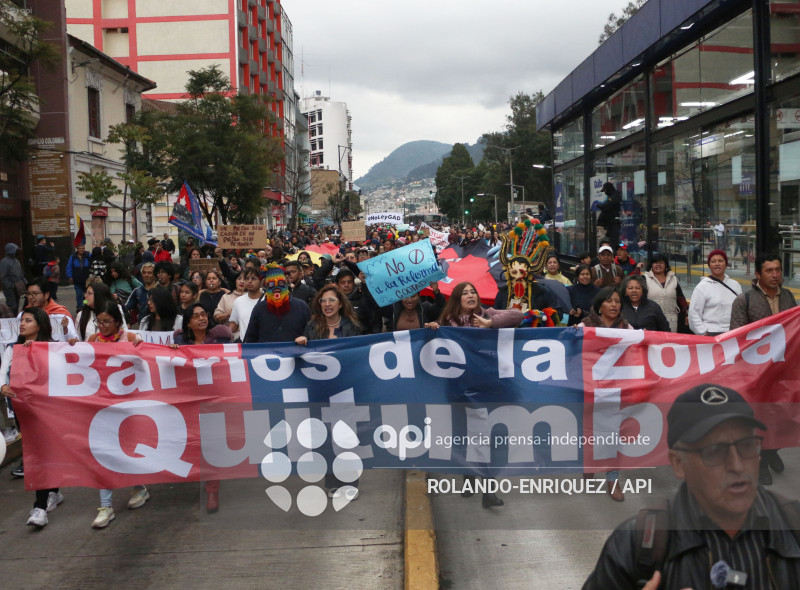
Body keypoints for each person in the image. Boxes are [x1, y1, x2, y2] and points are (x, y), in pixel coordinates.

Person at [582, 383, 800, 589]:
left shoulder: (793, 525)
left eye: (746, 445)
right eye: (714, 451)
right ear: (678, 463)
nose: (736, 465)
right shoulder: (633, 545)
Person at [434, 281, 524, 508]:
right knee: (463, 436)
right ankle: (468, 477)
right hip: (459, 389)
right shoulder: (447, 322)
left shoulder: (487, 314)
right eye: (464, 293)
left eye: (473, 291)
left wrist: (490, 323)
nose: (470, 295)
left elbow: (517, 315)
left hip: (485, 387)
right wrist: (432, 329)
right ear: (457, 299)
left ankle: (488, 490)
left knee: (484, 437)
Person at [730, 253, 796, 486]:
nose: (775, 275)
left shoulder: (788, 296)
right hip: (755, 372)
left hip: (783, 369)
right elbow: (736, 337)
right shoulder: (744, 300)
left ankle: (771, 450)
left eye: (778, 270)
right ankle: (760, 461)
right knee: (757, 415)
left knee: (781, 414)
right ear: (758, 274)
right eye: (769, 271)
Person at [0, 307, 63, 527]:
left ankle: (40, 507)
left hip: (48, 411)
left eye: (28, 320)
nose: (22, 324)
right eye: (22, 320)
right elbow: (3, 372)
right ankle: (53, 491)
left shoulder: (53, 347)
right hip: (23, 411)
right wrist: (3, 386)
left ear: (40, 324)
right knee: (40, 453)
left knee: (40, 454)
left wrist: (37, 351)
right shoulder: (13, 348)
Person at [85, 302, 145, 527]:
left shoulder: (130, 338)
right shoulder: (92, 340)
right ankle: (105, 506)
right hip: (100, 406)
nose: (102, 326)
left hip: (127, 406)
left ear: (118, 322)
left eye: (107, 322)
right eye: (99, 322)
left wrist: (140, 346)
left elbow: (148, 362)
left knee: (127, 450)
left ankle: (139, 486)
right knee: (104, 452)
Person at [171, 303, 231, 512]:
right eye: (196, 316)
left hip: (215, 398)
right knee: (195, 443)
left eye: (203, 314)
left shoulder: (221, 339)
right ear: (188, 323)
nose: (201, 318)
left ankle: (212, 489)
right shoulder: (180, 342)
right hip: (189, 400)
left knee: (211, 443)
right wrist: (172, 353)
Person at [577, 286, 632, 502]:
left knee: (613, 434)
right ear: (600, 306)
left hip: (616, 389)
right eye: (609, 301)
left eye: (617, 301)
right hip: (589, 388)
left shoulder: (626, 327)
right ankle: (589, 465)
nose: (614, 305)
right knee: (589, 432)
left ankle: (612, 479)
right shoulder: (585, 325)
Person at [244, 265, 310, 343]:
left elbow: (311, 334)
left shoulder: (301, 307)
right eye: (271, 284)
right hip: (267, 351)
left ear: (287, 284)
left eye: (281, 283)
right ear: (266, 286)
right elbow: (250, 339)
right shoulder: (259, 309)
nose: (276, 288)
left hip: (296, 350)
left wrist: (304, 338)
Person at [688, 249, 742, 336]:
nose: (717, 264)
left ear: (726, 264)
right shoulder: (702, 287)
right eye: (713, 261)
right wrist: (703, 333)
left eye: (720, 261)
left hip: (732, 334)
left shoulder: (735, 285)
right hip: (711, 334)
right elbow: (693, 314)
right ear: (709, 265)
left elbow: (741, 311)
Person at [643, 253, 685, 333]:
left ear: (666, 265)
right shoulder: (645, 279)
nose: (658, 265)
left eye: (661, 262)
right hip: (651, 320)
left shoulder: (673, 279)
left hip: (671, 321)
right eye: (655, 262)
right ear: (651, 265)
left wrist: (686, 314)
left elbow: (681, 298)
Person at [229, 268, 264, 341]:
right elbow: (233, 325)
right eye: (247, 278)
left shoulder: (268, 299)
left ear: (261, 281)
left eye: (253, 278)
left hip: (264, 344)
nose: (249, 281)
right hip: (246, 345)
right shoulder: (238, 301)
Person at [65, 243, 91, 312]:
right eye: (80, 248)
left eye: (83, 248)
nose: (82, 250)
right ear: (77, 249)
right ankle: (79, 307)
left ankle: (86, 307)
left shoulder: (88, 255)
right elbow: (69, 267)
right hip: (77, 279)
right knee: (79, 294)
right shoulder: (73, 257)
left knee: (86, 295)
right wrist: (70, 276)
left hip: (86, 280)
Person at [0, 243, 24, 313]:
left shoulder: (16, 261)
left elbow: (20, 273)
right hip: (9, 288)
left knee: (17, 305)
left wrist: (24, 282)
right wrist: (10, 285)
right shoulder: (4, 262)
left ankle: (15, 317)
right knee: (12, 305)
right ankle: (10, 317)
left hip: (18, 287)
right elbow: (3, 276)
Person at [596, 182, 622, 246]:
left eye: (605, 190)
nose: (605, 193)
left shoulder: (614, 196)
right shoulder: (611, 196)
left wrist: (599, 206)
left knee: (614, 241)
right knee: (610, 239)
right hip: (610, 223)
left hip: (614, 222)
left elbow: (607, 206)